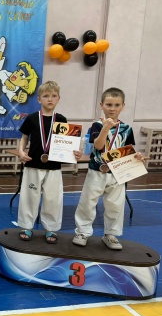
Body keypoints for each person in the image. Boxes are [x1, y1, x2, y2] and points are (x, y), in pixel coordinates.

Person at [72, 87, 146, 250]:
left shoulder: (126, 128)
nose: (112, 109)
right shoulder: (97, 125)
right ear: (101, 105)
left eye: (116, 105)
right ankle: (82, 232)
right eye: (109, 104)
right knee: (87, 202)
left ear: (123, 106)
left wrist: (137, 156)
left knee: (115, 205)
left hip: (118, 172)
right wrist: (105, 128)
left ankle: (110, 234)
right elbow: (98, 146)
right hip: (96, 171)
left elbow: (128, 151)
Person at [17, 81, 82, 243]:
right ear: (39, 99)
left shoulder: (61, 119)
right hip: (33, 164)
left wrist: (76, 152)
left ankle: (51, 229)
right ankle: (26, 226)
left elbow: (68, 142)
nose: (50, 99)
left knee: (53, 199)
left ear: (59, 99)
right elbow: (24, 138)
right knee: (29, 197)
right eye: (46, 96)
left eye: (54, 96)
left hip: (53, 167)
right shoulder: (32, 118)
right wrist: (21, 151)